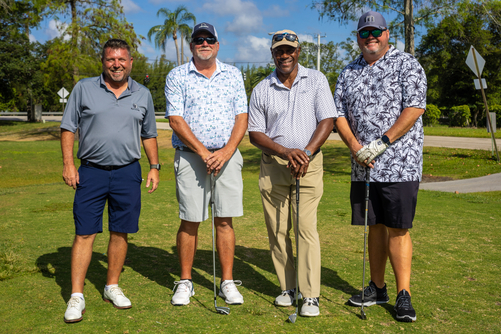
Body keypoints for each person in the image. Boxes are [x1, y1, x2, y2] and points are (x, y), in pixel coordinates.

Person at [334, 11, 427, 322]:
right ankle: (378, 286)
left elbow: (414, 107)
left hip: (399, 164)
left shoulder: (406, 64)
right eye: (364, 33)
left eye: (376, 31)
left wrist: (383, 142)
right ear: (357, 38)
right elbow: (339, 114)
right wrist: (356, 147)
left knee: (398, 227)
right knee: (373, 225)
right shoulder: (348, 71)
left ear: (387, 34)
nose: (370, 37)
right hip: (364, 165)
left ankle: (404, 294)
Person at [60, 39, 160, 323]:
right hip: (91, 171)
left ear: (131, 62)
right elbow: (68, 127)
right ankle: (76, 296)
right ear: (103, 62)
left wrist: (154, 166)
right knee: (85, 232)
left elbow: (149, 134)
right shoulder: (84, 88)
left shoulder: (143, 94)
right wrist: (69, 164)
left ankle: (111, 286)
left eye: (122, 60)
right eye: (110, 60)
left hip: (128, 172)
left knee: (121, 231)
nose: (116, 64)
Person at [248, 29, 339, 317]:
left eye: (289, 50)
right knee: (277, 230)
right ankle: (288, 288)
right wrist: (287, 152)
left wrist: (306, 153)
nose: (284, 55)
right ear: (272, 54)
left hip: (309, 167)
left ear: (298, 52)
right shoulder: (262, 89)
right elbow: (255, 133)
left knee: (304, 228)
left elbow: (327, 119)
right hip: (274, 166)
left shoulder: (316, 80)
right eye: (279, 51)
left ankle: (310, 295)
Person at [165, 22, 248, 306]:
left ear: (217, 44)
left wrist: (225, 151)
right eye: (198, 40)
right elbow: (175, 120)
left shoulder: (233, 74)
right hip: (191, 157)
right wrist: (203, 152)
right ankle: (185, 281)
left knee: (224, 220)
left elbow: (241, 117)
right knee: (190, 220)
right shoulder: (177, 75)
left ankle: (226, 282)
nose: (204, 43)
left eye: (209, 39)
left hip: (226, 156)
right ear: (191, 46)